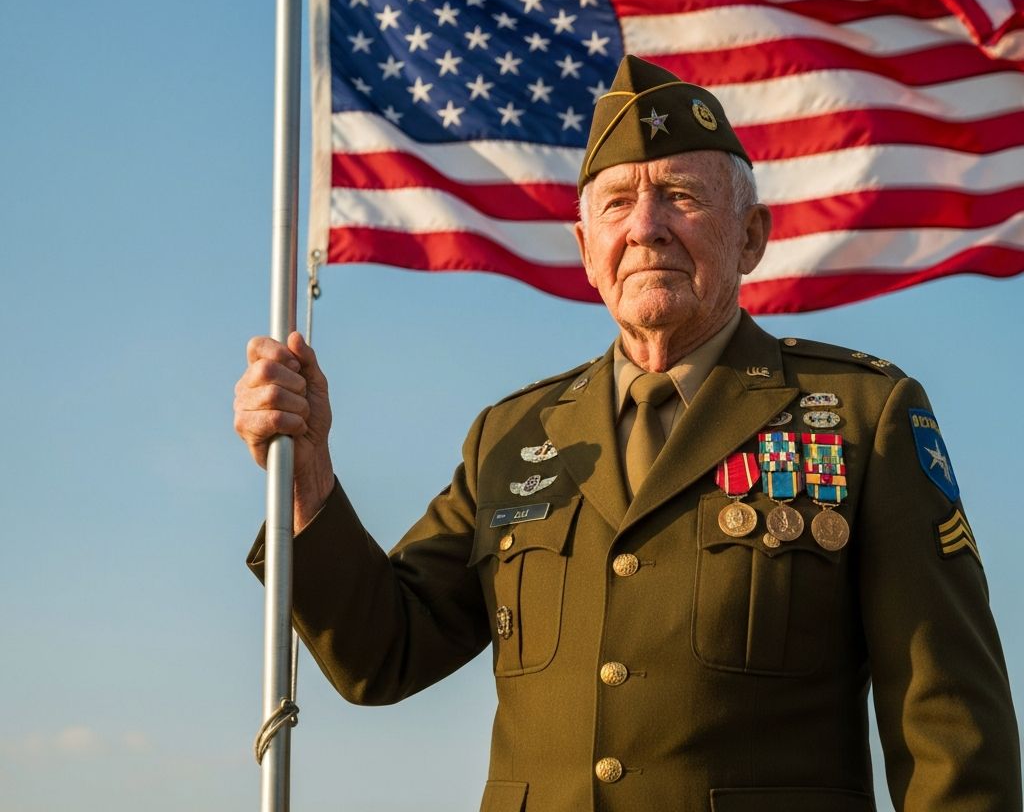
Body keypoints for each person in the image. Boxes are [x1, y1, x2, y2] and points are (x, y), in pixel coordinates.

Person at [235, 55, 1021, 812]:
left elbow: (950, 729)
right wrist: (308, 482)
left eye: (680, 195)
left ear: (750, 238)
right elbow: (384, 652)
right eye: (615, 205)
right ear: (585, 252)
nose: (645, 227)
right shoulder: (511, 438)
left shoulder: (862, 415)